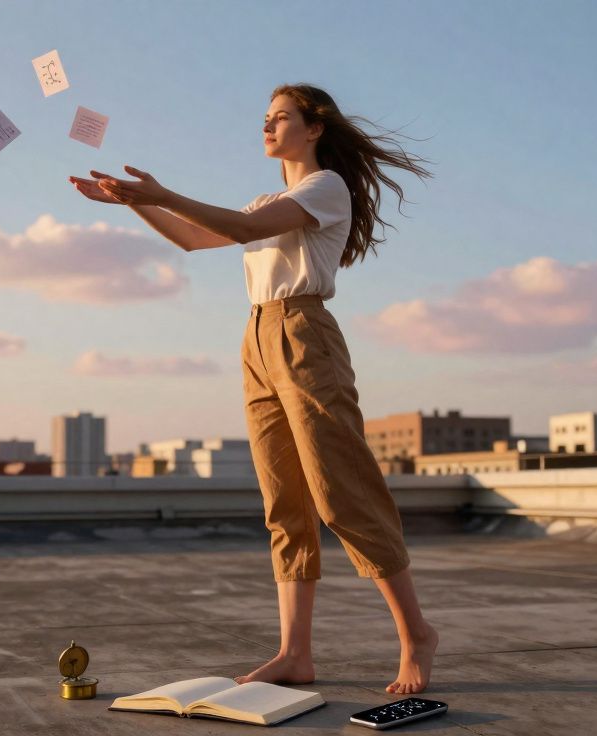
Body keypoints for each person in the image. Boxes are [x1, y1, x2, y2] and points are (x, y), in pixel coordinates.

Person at [68, 84, 436, 695]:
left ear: (314, 127)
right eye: (264, 118)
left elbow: (240, 230)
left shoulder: (324, 188)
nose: (267, 126)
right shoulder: (270, 197)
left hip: (304, 332)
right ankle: (295, 654)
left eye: (281, 118)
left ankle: (416, 633)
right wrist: (132, 201)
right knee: (283, 504)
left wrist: (162, 191)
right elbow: (194, 237)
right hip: (258, 338)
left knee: (340, 494)